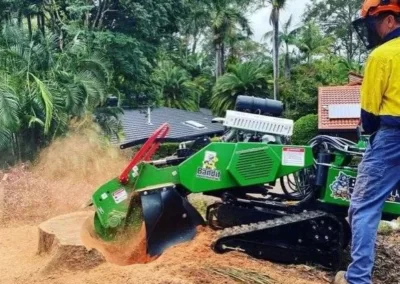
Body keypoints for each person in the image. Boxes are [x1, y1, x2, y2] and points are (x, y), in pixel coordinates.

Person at [334, 1, 400, 283]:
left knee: (363, 205)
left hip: (392, 135)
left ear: (388, 20)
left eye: (372, 24)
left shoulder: (382, 55)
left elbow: (370, 112)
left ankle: (358, 278)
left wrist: (369, 134)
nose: (371, 31)